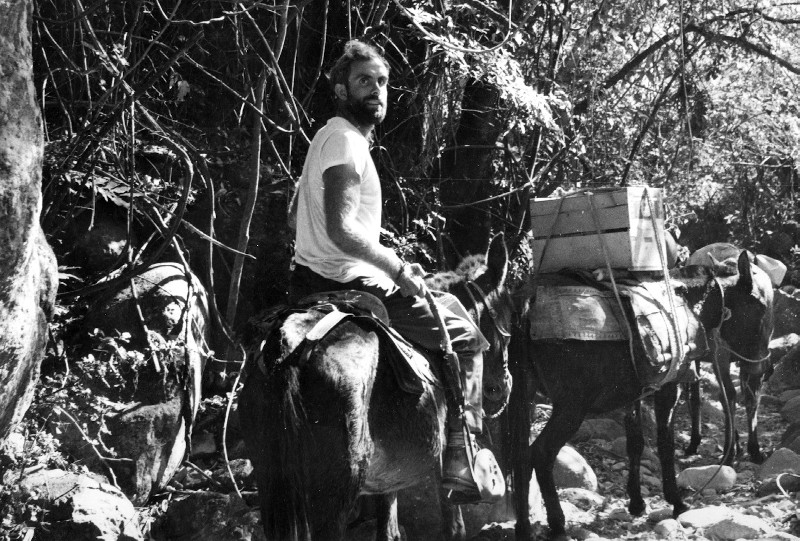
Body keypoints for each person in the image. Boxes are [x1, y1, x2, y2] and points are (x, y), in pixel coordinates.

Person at [287, 39, 502, 503]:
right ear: (341, 89)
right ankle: (462, 458)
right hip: (347, 280)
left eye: (382, 82)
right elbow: (343, 230)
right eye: (364, 80)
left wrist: (359, 251)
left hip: (309, 278)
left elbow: (296, 219)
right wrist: (398, 268)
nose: (376, 90)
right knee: (465, 335)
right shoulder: (346, 140)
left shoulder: (327, 138)